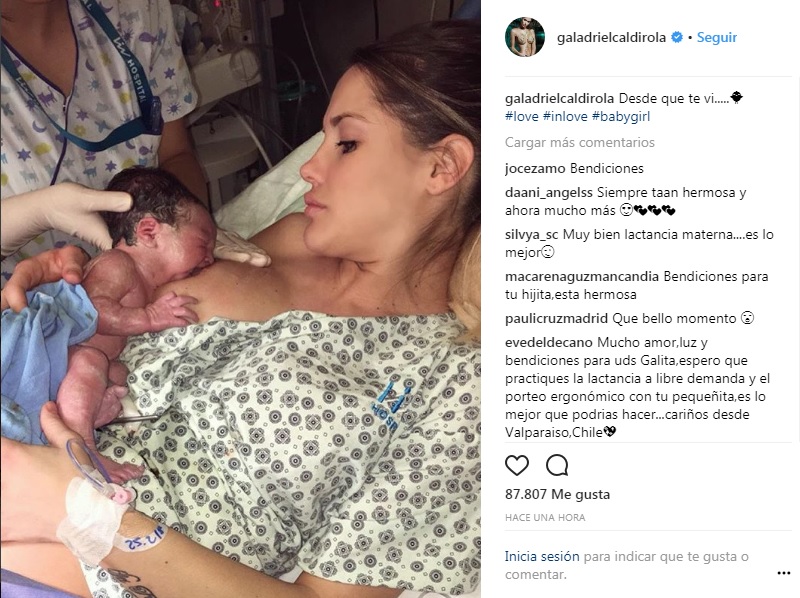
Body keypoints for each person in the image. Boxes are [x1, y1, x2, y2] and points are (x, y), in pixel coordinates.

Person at [1, 20, 481, 598]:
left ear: (442, 166)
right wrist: (62, 289)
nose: (309, 168)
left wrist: (82, 515)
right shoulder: (288, 240)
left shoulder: (460, 381)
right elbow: (120, 292)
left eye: (347, 143)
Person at [19, 168, 213, 483]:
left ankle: (81, 417)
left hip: (68, 375)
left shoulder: (144, 282)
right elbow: (95, 310)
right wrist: (150, 317)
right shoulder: (118, 263)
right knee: (91, 361)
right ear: (149, 231)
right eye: (204, 244)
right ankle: (83, 450)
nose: (209, 259)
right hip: (58, 355)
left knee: (116, 373)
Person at [0, 0, 208, 285]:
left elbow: (177, 155)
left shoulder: (137, 10)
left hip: (157, 282)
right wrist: (38, 212)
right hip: (25, 302)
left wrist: (189, 234)